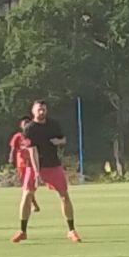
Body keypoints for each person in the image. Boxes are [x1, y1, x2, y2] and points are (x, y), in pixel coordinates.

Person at [13, 100, 80, 243]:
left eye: (44, 109)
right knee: (27, 195)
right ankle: (22, 231)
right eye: (39, 110)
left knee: (64, 195)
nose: (42, 112)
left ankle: (71, 230)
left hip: (53, 164)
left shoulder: (53, 124)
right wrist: (37, 173)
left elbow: (63, 139)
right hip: (34, 166)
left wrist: (59, 142)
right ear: (33, 111)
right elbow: (33, 151)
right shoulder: (30, 129)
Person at [8, 116, 39, 213]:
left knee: (29, 186)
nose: (25, 124)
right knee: (26, 186)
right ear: (21, 125)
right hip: (21, 164)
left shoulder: (34, 136)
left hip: (31, 164)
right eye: (24, 123)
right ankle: (34, 205)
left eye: (27, 123)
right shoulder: (18, 136)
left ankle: (33, 205)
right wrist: (11, 157)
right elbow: (13, 148)